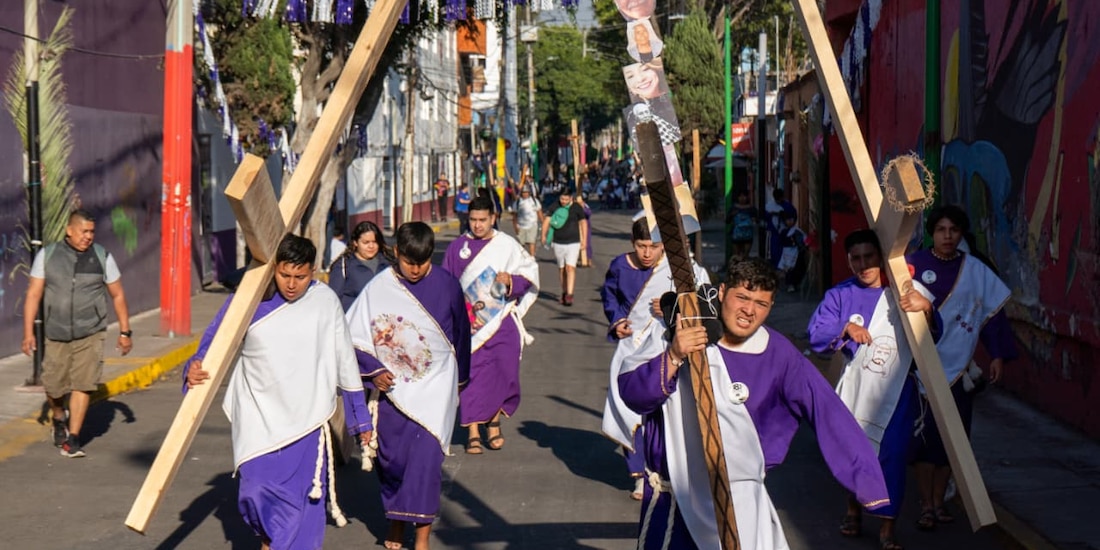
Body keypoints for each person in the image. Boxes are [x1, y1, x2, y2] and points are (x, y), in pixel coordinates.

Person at [619, 257, 890, 549]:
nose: (749, 310)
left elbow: (827, 410)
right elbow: (634, 395)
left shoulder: (779, 354)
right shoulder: (680, 333)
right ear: (722, 292)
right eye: (743, 298)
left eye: (761, 304)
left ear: (771, 306)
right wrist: (674, 356)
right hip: (677, 502)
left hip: (743, 501)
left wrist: (866, 479)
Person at [184, 233, 372, 550]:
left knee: (302, 507)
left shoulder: (325, 301)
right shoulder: (249, 300)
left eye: (300, 276)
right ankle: (271, 538)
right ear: (274, 269)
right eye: (285, 274)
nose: (291, 284)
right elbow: (215, 340)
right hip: (258, 415)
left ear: (313, 271)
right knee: (253, 493)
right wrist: (196, 364)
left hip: (307, 419)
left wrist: (360, 419)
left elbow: (345, 361)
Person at [808, 229, 940, 550]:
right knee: (856, 454)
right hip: (855, 391)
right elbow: (817, 334)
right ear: (849, 260)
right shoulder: (840, 295)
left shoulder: (905, 290)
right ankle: (853, 509)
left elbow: (934, 334)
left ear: (880, 257)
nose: (864, 265)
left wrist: (926, 309)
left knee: (892, 456)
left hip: (897, 393)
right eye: (856, 258)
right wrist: (845, 328)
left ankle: (887, 528)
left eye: (869, 257)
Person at [347, 222, 471, 550]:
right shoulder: (378, 288)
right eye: (409, 262)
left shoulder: (448, 286)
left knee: (426, 464)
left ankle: (422, 537)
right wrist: (372, 371)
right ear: (397, 253)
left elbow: (461, 335)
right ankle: (396, 522)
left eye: (423, 262)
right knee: (393, 463)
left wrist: (460, 382)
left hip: (435, 388)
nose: (416, 269)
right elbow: (352, 336)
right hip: (394, 394)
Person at [907, 205, 1016, 531]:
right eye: (941, 230)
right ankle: (925, 503)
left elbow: (993, 315)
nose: (947, 236)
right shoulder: (913, 265)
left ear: (961, 233)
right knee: (924, 441)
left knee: (954, 439)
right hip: (920, 367)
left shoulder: (976, 270)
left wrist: (997, 355)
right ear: (932, 232)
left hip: (958, 369)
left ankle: (940, 502)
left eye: (953, 230)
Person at [601, 218, 708, 500]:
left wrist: (673, 307)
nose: (647, 253)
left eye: (654, 246)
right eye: (641, 246)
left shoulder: (684, 271)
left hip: (668, 350)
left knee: (663, 414)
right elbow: (610, 298)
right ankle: (639, 474)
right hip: (631, 349)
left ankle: (665, 469)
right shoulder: (620, 266)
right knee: (630, 411)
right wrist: (617, 321)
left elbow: (706, 307)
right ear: (632, 244)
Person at [22, 209, 133, 458]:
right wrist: (28, 332)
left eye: (92, 232)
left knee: (84, 384)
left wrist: (125, 331)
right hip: (56, 331)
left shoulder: (102, 256)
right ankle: (59, 416)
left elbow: (118, 295)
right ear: (69, 231)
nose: (88, 237)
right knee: (54, 386)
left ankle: (73, 438)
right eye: (84, 231)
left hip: (90, 331)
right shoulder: (48, 256)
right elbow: (33, 295)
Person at [443, 196, 539, 455]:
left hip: (502, 321)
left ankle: (493, 421)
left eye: (482, 220)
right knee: (472, 376)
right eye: (473, 220)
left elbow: (530, 274)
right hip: (470, 326)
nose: (477, 225)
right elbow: (446, 285)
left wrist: (511, 282)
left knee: (504, 372)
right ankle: (473, 429)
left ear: (493, 218)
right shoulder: (456, 248)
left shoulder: (507, 245)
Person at [328, 220, 394, 311]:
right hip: (354, 320)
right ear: (355, 242)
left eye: (375, 242)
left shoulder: (388, 263)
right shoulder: (343, 266)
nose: (371, 246)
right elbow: (333, 299)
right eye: (366, 242)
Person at [539, 188, 588, 306]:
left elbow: (583, 223)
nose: (564, 201)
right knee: (562, 269)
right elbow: (547, 220)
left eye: (566, 199)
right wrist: (543, 236)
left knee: (570, 268)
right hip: (558, 242)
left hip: (573, 242)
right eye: (562, 198)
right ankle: (564, 292)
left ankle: (570, 294)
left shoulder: (576, 207)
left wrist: (584, 240)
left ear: (571, 198)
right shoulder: (554, 206)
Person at [775, 212, 807, 292]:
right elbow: (781, 242)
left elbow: (803, 241)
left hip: (796, 253)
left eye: (791, 219)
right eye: (787, 220)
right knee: (788, 270)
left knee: (796, 268)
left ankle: (795, 284)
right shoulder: (783, 232)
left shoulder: (797, 231)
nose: (789, 221)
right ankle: (790, 284)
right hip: (786, 252)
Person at [766, 188, 797, 267]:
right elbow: (765, 217)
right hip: (773, 231)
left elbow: (793, 217)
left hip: (785, 231)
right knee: (773, 251)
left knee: (785, 249)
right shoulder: (769, 205)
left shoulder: (787, 206)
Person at [512, 184, 544, 256]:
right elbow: (514, 216)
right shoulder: (517, 202)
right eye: (523, 192)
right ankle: (522, 258)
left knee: (531, 242)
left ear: (529, 193)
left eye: (527, 192)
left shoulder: (534, 201)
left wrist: (543, 223)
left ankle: (532, 257)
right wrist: (515, 227)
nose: (525, 194)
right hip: (521, 225)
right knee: (521, 244)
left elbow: (539, 212)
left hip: (532, 224)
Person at [727, 189, 758, 259]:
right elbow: (727, 220)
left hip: (748, 235)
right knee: (737, 256)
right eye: (740, 196)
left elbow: (757, 219)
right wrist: (732, 215)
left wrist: (754, 219)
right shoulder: (734, 208)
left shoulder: (751, 208)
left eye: (744, 196)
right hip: (736, 235)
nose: (742, 198)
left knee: (745, 255)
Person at [576, 192, 594, 267]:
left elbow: (588, 213)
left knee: (587, 243)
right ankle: (577, 259)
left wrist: (583, 207)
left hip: (586, 226)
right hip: (575, 226)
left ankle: (589, 260)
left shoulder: (585, 206)